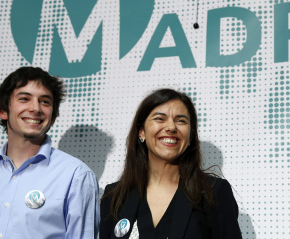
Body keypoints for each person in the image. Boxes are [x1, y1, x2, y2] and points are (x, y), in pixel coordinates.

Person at [0, 66, 99, 239]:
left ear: (53, 117)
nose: (36, 108)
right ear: (3, 110)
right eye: (24, 99)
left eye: (45, 102)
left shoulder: (76, 176)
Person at [100, 88, 242, 239]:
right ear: (141, 131)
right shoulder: (114, 196)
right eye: (160, 119)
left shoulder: (213, 192)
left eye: (181, 121)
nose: (171, 127)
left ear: (190, 135)